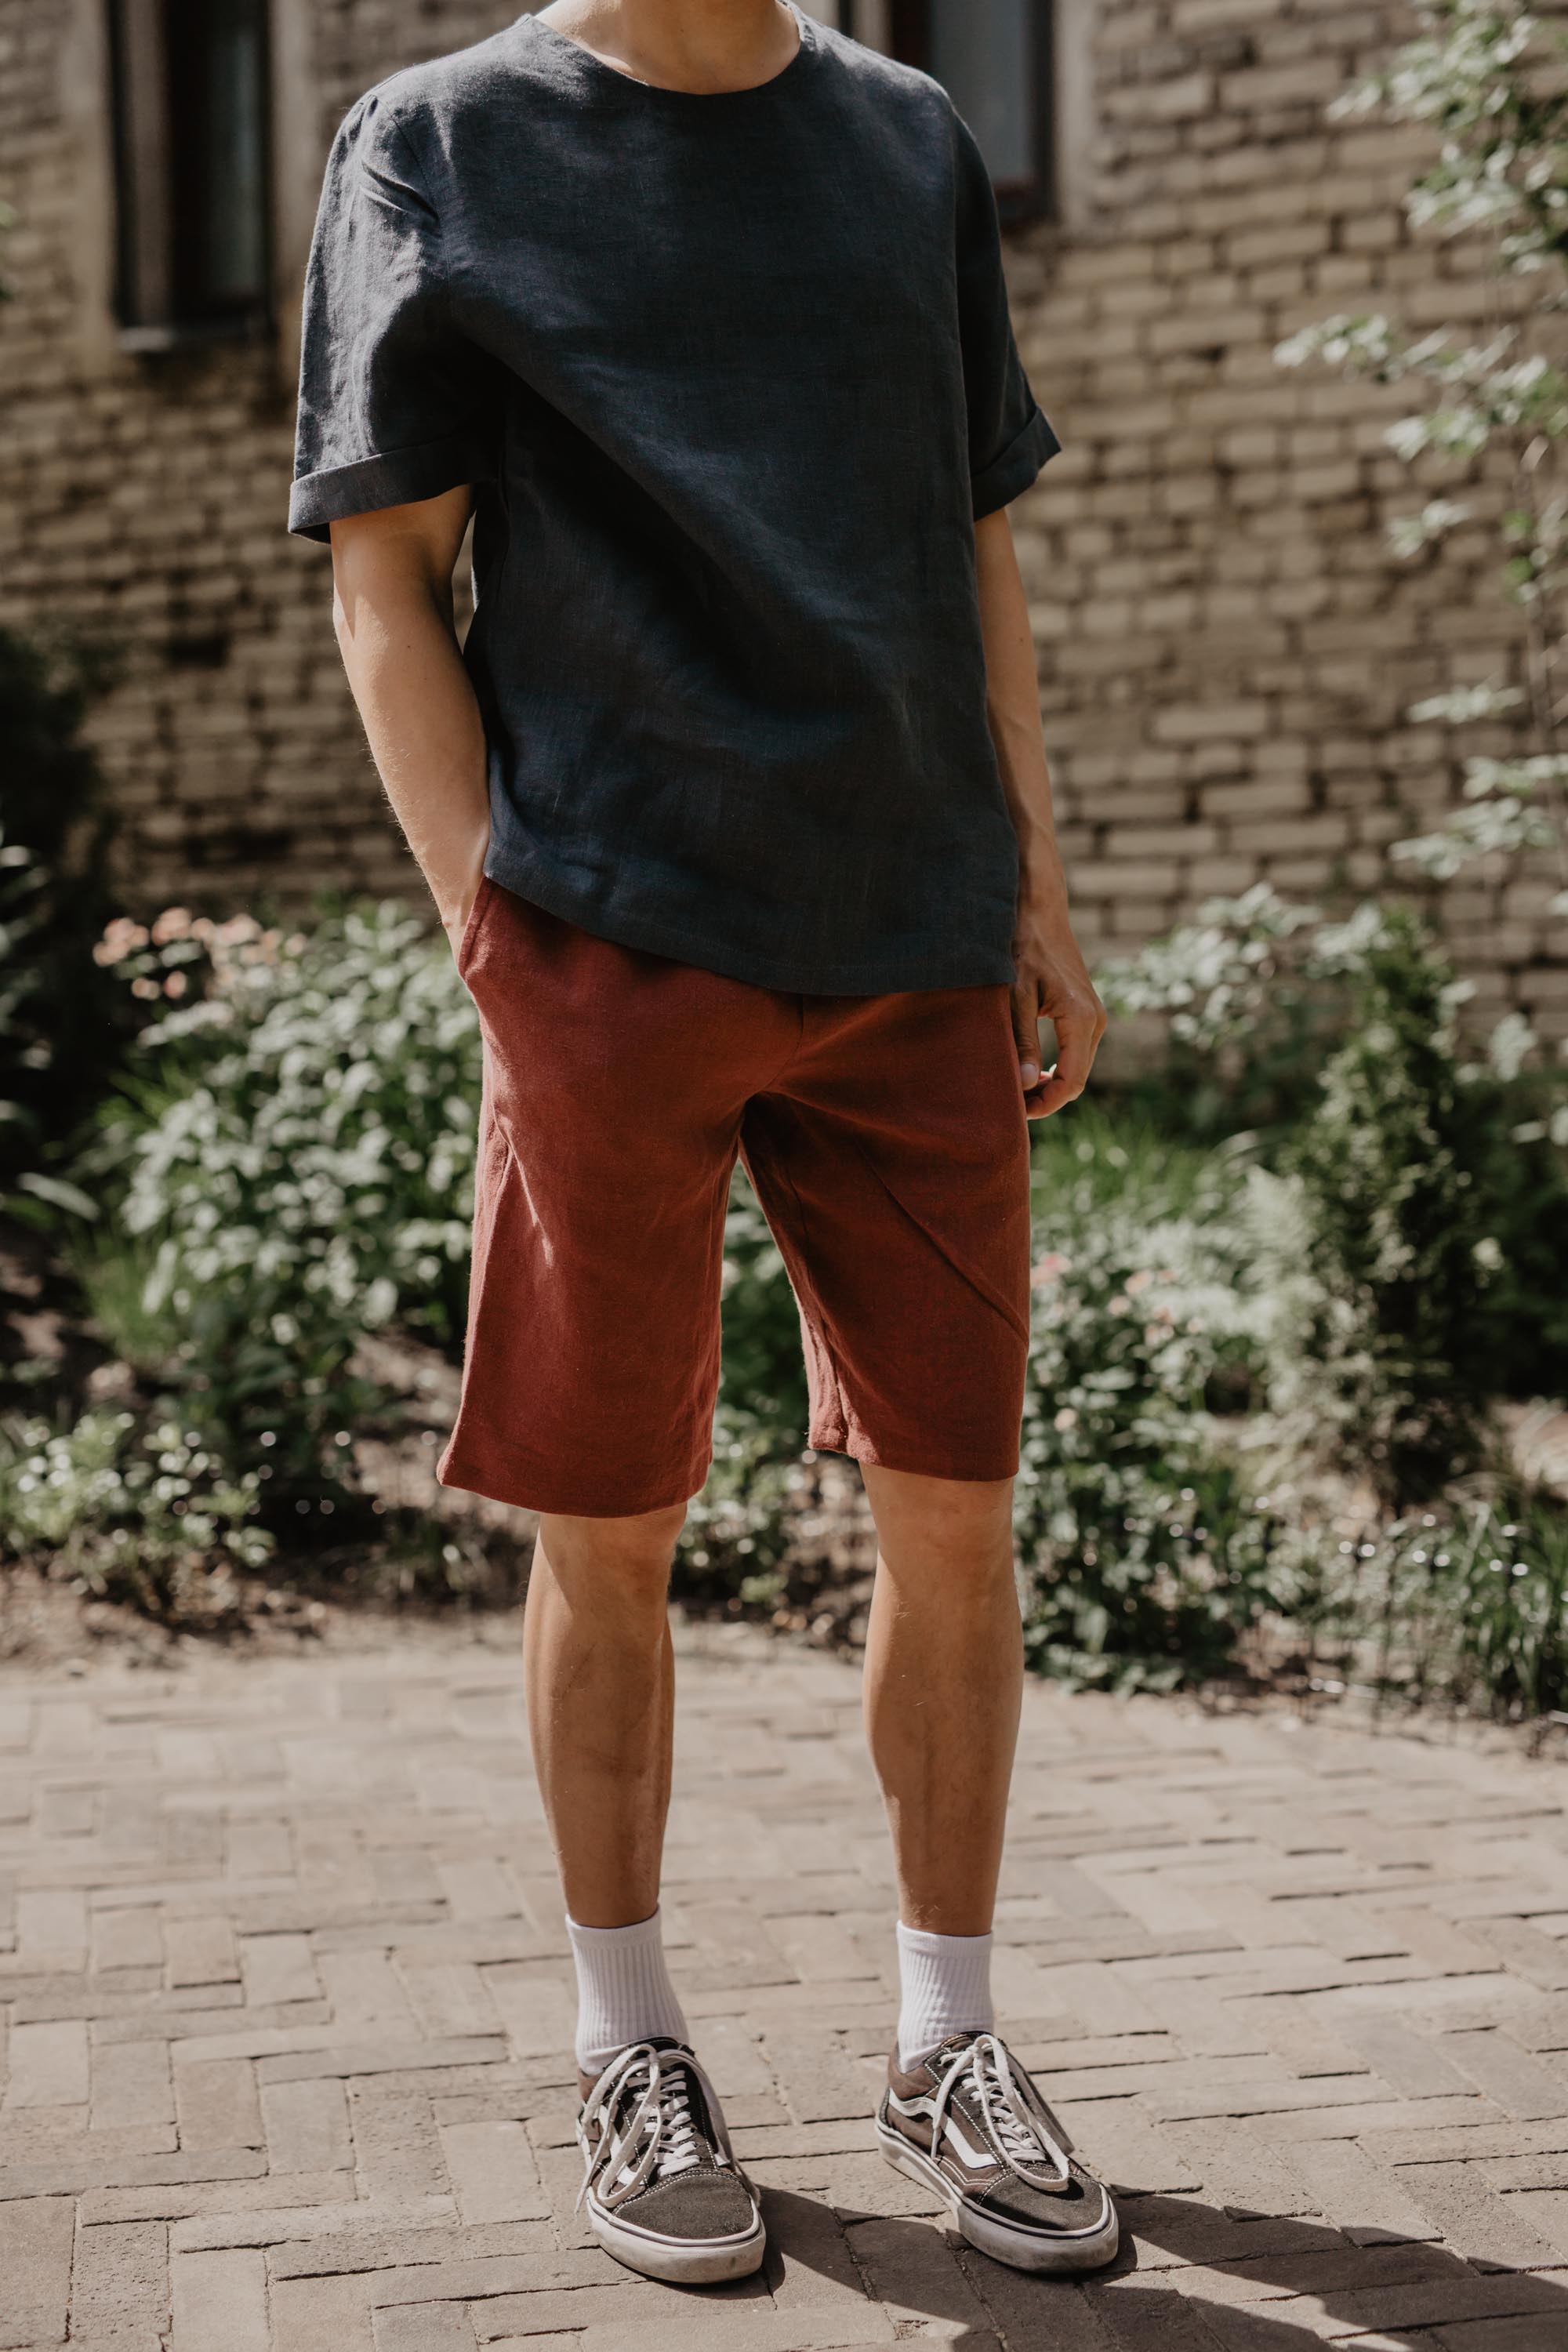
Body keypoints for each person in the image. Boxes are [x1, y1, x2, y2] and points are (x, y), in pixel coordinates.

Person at [291, 0, 1115, 2289]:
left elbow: (974, 544)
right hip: (608, 947)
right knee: (613, 1523)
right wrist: (500, 946)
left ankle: (949, 2037)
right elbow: (386, 574)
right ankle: (626, 2038)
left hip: (910, 933)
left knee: (958, 1509)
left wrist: (1033, 882)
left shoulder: (905, 139)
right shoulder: (440, 141)